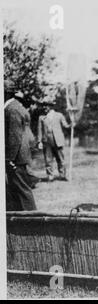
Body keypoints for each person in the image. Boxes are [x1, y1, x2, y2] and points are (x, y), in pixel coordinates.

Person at [4, 79, 37, 211]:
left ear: (6, 93)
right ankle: (21, 220)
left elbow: (14, 136)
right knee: (15, 188)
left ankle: (33, 221)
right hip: (16, 156)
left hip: (16, 157)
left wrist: (9, 158)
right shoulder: (12, 107)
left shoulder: (13, 109)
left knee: (22, 189)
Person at [37, 101, 71, 181]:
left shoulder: (59, 115)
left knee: (61, 159)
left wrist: (71, 124)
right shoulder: (42, 117)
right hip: (47, 141)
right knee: (48, 159)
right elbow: (39, 130)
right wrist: (39, 141)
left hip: (58, 141)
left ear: (51, 106)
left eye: (46, 106)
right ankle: (50, 176)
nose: (44, 107)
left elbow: (65, 125)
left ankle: (63, 175)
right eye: (44, 106)